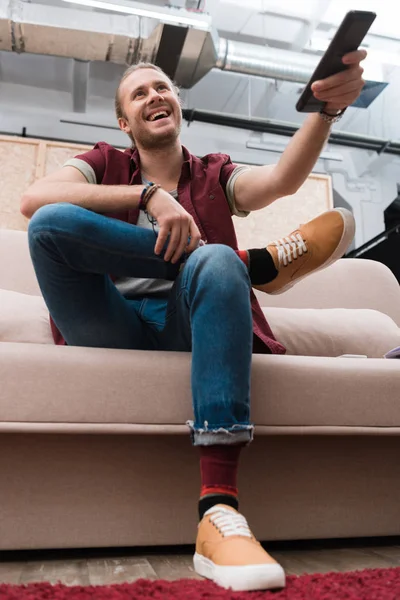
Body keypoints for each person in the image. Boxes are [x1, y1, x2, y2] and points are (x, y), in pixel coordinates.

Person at [21, 48, 366, 592]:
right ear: (123, 121)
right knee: (50, 227)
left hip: (190, 316)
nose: (154, 95)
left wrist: (325, 113)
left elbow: (278, 181)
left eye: (162, 87)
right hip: (111, 324)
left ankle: (218, 513)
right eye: (139, 93)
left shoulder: (212, 173)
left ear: (178, 105)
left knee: (214, 262)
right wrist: (149, 196)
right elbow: (35, 201)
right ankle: (258, 265)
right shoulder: (106, 163)